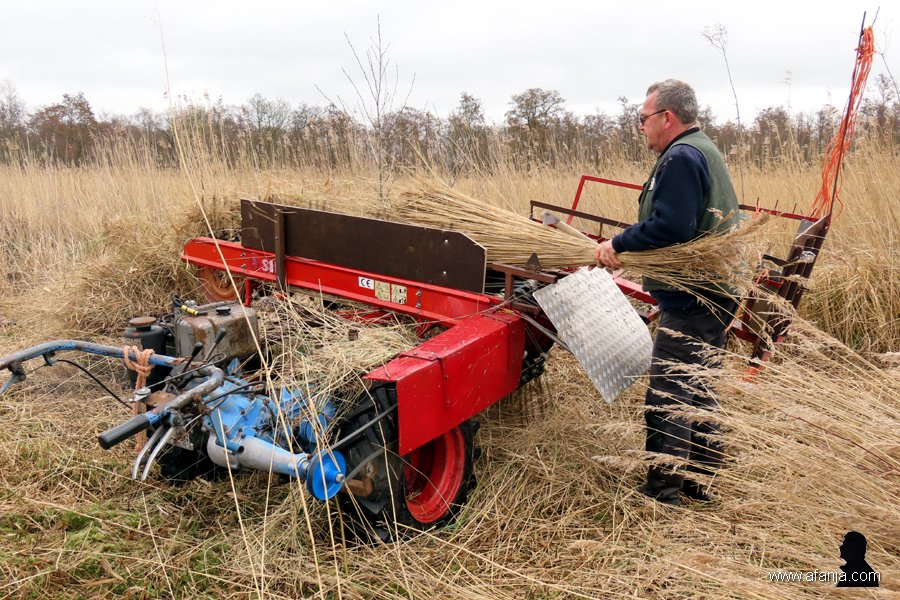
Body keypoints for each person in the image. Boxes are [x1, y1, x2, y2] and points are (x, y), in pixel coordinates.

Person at [595, 80, 739, 506]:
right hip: (712, 292)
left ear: (667, 118)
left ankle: (665, 492)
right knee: (698, 386)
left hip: (693, 295)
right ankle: (700, 480)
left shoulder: (680, 157)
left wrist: (619, 244)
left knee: (669, 392)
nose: (641, 127)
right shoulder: (701, 149)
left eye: (643, 119)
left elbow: (672, 226)